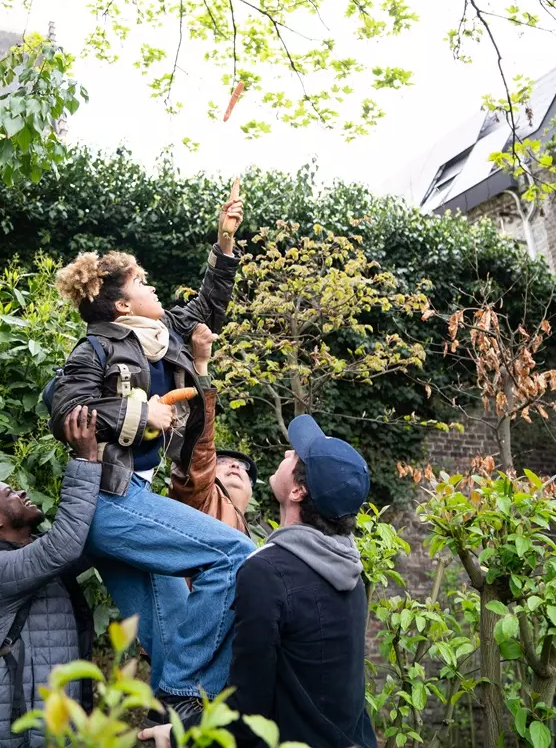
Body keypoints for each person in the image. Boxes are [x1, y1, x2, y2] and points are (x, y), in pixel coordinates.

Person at [49, 194, 256, 715]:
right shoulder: (94, 349)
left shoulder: (166, 339)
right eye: (142, 282)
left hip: (132, 498)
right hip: (108, 500)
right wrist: (142, 415)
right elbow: (66, 408)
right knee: (235, 555)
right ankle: (190, 698)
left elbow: (210, 301)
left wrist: (225, 240)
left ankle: (171, 718)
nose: (152, 285)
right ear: (122, 306)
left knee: (170, 638)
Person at [140, 414, 378, 748]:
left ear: (297, 490)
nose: (285, 454)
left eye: (294, 456)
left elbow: (248, 708)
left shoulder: (268, 573)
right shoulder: (349, 570)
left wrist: (179, 733)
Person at [0, 407, 101, 748]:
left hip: (50, 731)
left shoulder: (36, 560)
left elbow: (91, 540)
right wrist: (85, 461)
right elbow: (64, 546)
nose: (22, 492)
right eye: (11, 493)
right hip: (9, 736)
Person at [168, 323, 255, 535]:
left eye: (242, 467)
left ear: (252, 491)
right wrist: (200, 364)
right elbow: (200, 447)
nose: (234, 465)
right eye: (222, 462)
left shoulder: (254, 543)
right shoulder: (201, 497)